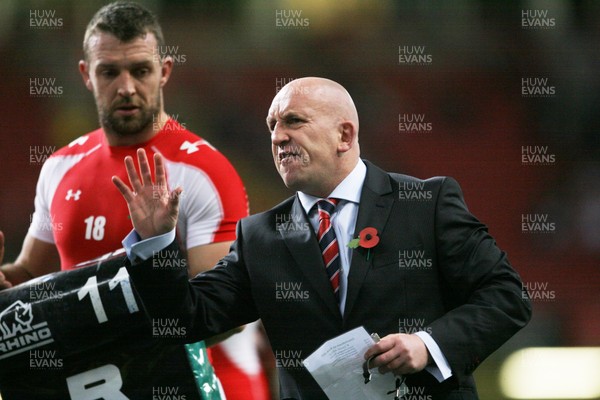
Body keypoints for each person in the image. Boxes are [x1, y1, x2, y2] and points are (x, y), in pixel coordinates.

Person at [114, 77, 532, 399]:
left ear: (345, 135)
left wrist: (428, 344)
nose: (278, 136)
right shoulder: (259, 237)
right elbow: (185, 319)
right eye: (272, 125)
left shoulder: (426, 202)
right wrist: (156, 244)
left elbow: (506, 296)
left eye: (294, 121)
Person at [0, 2, 270, 399]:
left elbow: (222, 316)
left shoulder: (206, 173)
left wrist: (93, 332)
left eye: (140, 70)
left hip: (190, 386)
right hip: (89, 386)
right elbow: (31, 275)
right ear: (86, 75)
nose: (126, 87)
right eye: (109, 71)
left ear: (164, 72)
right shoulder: (60, 166)